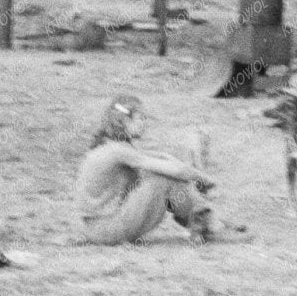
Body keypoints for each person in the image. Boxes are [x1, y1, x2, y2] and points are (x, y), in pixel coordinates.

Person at [74, 95, 226, 245]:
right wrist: (205, 180)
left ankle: (202, 220)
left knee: (164, 176)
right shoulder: (118, 150)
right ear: (125, 121)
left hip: (97, 229)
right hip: (106, 229)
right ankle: (205, 223)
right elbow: (176, 171)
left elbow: (160, 158)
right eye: (141, 118)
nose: (144, 124)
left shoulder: (110, 146)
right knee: (163, 180)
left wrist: (186, 170)